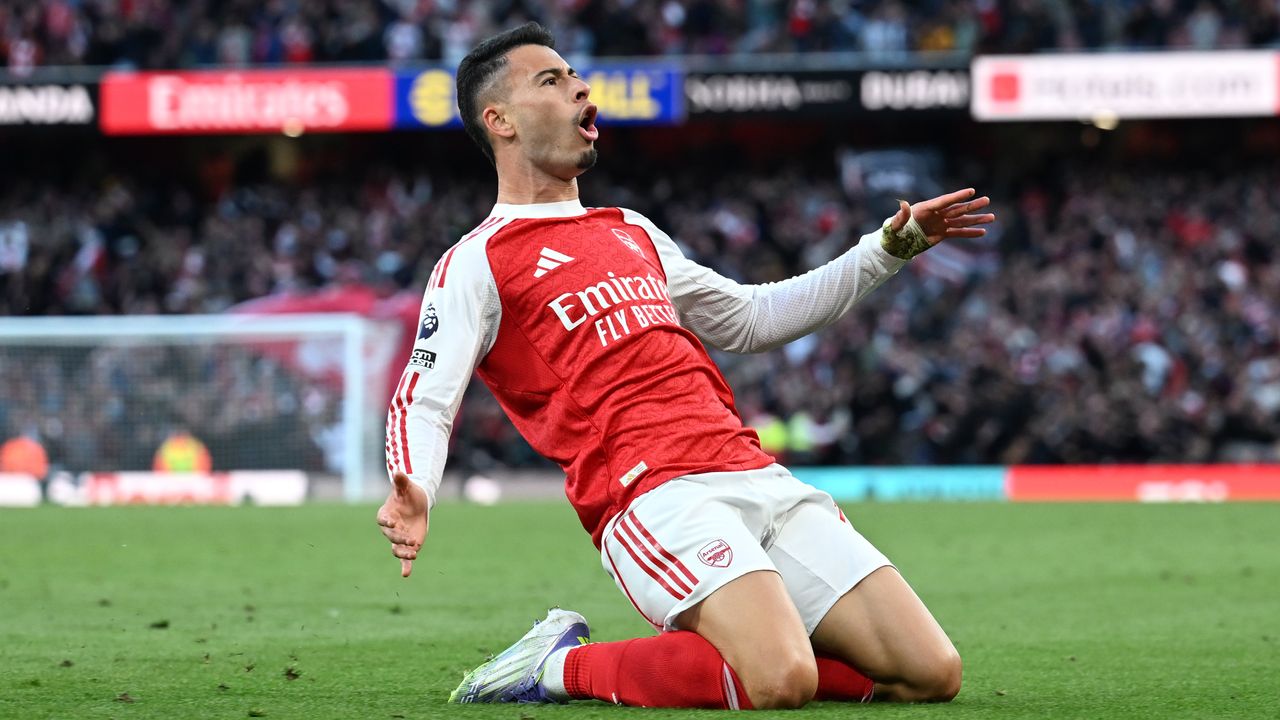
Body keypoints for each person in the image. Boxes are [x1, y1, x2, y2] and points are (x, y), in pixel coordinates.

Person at [376, 22, 995, 710]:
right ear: (501, 121)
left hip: (754, 473)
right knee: (779, 680)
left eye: (575, 75)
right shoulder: (477, 260)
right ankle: (556, 666)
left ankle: (755, 647)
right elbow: (424, 395)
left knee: (931, 673)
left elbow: (752, 318)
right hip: (654, 496)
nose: (579, 87)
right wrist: (417, 486)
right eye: (551, 80)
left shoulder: (631, 230)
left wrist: (886, 249)